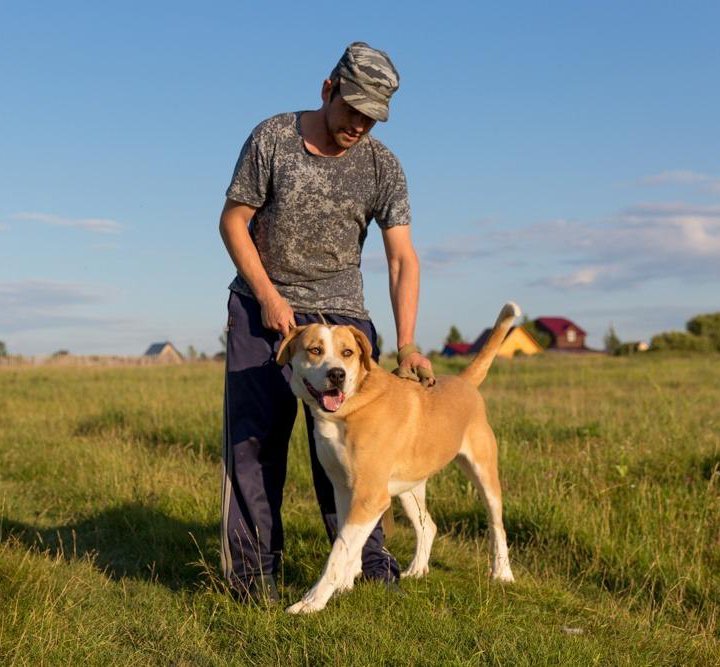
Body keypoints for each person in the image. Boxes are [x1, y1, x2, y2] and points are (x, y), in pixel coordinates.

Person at [219, 41, 434, 602]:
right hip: (261, 309)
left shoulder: (383, 166)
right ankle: (252, 576)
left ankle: (367, 570)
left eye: (372, 117)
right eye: (351, 110)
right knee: (254, 444)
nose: (359, 125)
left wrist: (408, 343)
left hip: (343, 319)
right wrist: (266, 294)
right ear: (327, 90)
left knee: (361, 456)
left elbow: (401, 258)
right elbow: (233, 222)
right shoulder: (272, 138)